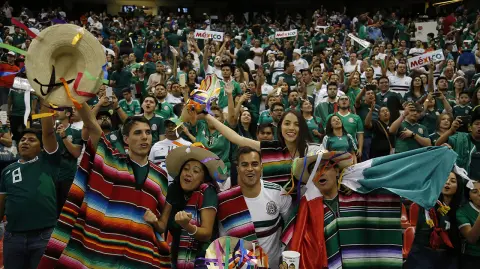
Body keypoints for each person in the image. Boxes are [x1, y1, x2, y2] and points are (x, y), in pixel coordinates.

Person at [38, 108, 171, 268]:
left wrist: (155, 222)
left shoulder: (160, 176)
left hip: (141, 252)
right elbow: (93, 127)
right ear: (126, 139)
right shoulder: (112, 162)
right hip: (102, 249)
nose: (144, 137)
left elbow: (162, 225)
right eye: (138, 133)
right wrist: (79, 96)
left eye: (148, 132)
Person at [0, 100, 60, 269]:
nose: (25, 141)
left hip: (44, 236)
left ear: (42, 148)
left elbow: (48, 133)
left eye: (32, 140)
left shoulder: (48, 161)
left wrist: (46, 101)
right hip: (13, 237)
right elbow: (2, 201)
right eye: (23, 139)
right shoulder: (7, 170)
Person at [145, 145, 223, 268]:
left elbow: (206, 233)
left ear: (204, 178)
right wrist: (154, 221)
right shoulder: (173, 189)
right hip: (176, 257)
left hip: (205, 260)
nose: (188, 174)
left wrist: (187, 226)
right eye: (186, 169)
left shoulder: (208, 192)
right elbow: (162, 226)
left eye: (196, 171)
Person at [217, 147, 292, 269]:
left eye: (255, 164)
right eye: (244, 165)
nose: (250, 169)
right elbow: (224, 243)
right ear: (238, 169)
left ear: (261, 167)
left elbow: (291, 231)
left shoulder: (277, 193)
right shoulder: (225, 201)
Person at [405, 172, 464, 269]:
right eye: (445, 179)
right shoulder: (427, 203)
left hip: (448, 257)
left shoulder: (460, 209)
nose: (447, 182)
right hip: (423, 255)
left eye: (453, 181)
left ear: (459, 186)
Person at [54, 107, 83, 214]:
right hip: (52, 176)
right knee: (54, 210)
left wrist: (64, 137)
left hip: (68, 176)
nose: (56, 112)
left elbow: (76, 153)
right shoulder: (50, 132)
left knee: (67, 211)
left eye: (59, 110)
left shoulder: (76, 132)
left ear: (67, 114)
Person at [435, 111, 480, 180]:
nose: (479, 126)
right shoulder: (460, 137)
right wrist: (451, 130)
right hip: (460, 180)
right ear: (469, 128)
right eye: (477, 124)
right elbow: (437, 144)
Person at [149, 118, 192, 184]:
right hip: (159, 183)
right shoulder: (156, 146)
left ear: (180, 129)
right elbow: (150, 166)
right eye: (168, 126)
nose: (170, 127)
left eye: (174, 125)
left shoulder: (188, 145)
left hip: (180, 184)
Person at [456, 180, 480, 269]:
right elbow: (471, 239)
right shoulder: (462, 212)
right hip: (473, 258)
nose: (479, 194)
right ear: (469, 196)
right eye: (475, 191)